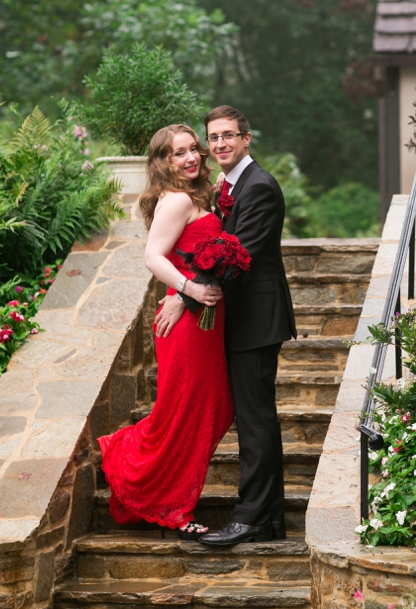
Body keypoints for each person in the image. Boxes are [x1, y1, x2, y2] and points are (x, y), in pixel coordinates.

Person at [156, 105, 297, 546]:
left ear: (247, 138)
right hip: (240, 320)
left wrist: (183, 294)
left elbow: (238, 254)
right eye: (212, 138)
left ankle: (251, 516)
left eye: (228, 136)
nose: (220, 145)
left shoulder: (259, 188)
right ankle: (270, 521)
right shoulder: (227, 186)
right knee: (255, 418)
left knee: (256, 420)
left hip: (256, 319)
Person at [97, 124, 234, 540]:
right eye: (179, 153)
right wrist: (188, 289)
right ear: (163, 161)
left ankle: (159, 487)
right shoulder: (175, 201)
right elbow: (153, 256)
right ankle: (171, 504)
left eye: (194, 149)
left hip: (205, 321)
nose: (192, 158)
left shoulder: (197, 195)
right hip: (190, 325)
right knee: (185, 412)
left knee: (213, 408)